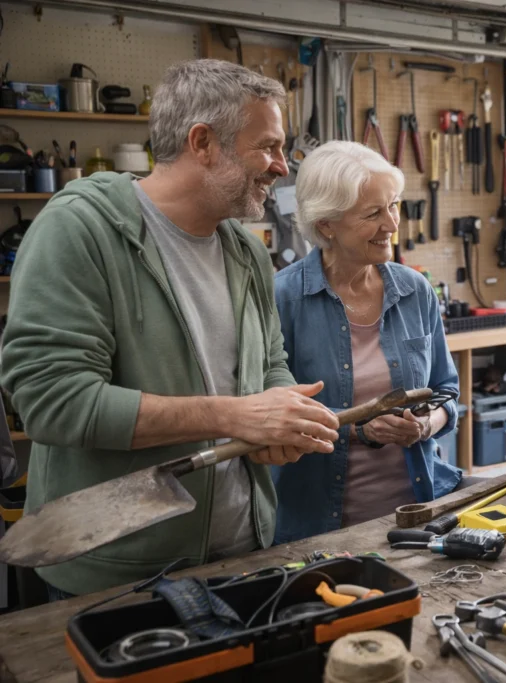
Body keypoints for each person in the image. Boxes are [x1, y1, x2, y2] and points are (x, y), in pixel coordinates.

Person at [0, 59, 341, 599]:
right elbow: (51, 400)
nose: (281, 167)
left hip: (241, 552)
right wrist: (237, 416)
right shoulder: (80, 229)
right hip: (117, 575)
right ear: (203, 142)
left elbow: (269, 362)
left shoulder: (246, 250)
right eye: (268, 147)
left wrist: (279, 420)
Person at [271, 141, 461, 543]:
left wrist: (426, 424)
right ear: (327, 225)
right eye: (373, 213)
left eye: (393, 205)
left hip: (421, 513)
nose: (392, 224)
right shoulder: (282, 299)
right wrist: (363, 430)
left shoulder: (415, 290)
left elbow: (447, 393)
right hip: (320, 527)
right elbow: (275, 419)